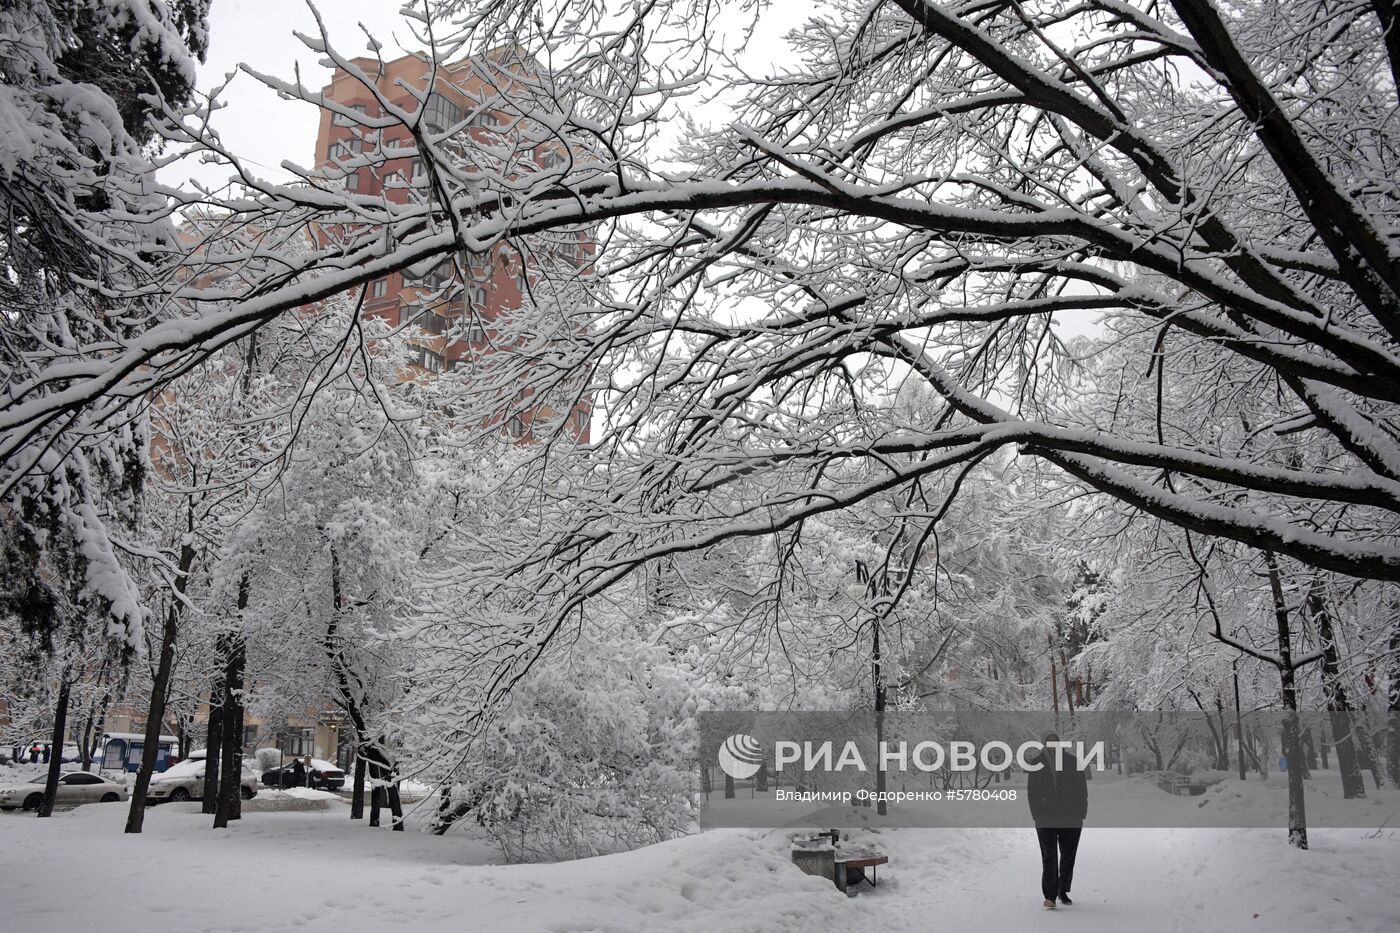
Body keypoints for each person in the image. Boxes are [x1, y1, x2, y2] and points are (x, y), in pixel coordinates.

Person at [1026, 732, 1088, 910]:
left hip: (1070, 817)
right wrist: (1037, 814)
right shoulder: (1036, 763)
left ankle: (1063, 889)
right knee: (1049, 856)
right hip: (1045, 818)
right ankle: (1050, 896)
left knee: (1068, 855)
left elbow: (1081, 788)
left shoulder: (1072, 761)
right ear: (1044, 743)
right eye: (1049, 741)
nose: (1052, 745)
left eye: (1055, 742)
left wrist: (1081, 812)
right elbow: (1032, 792)